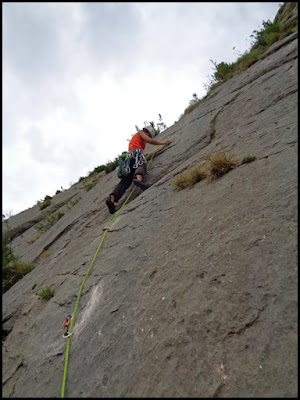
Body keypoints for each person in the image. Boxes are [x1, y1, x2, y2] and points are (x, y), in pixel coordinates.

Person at [105, 126, 171, 214]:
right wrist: (162, 143)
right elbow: (150, 141)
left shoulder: (137, 141)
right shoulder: (140, 132)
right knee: (141, 165)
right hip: (135, 155)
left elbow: (136, 148)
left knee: (126, 181)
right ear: (147, 132)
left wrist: (145, 154)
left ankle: (111, 199)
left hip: (129, 159)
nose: (148, 138)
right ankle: (138, 179)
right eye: (149, 135)